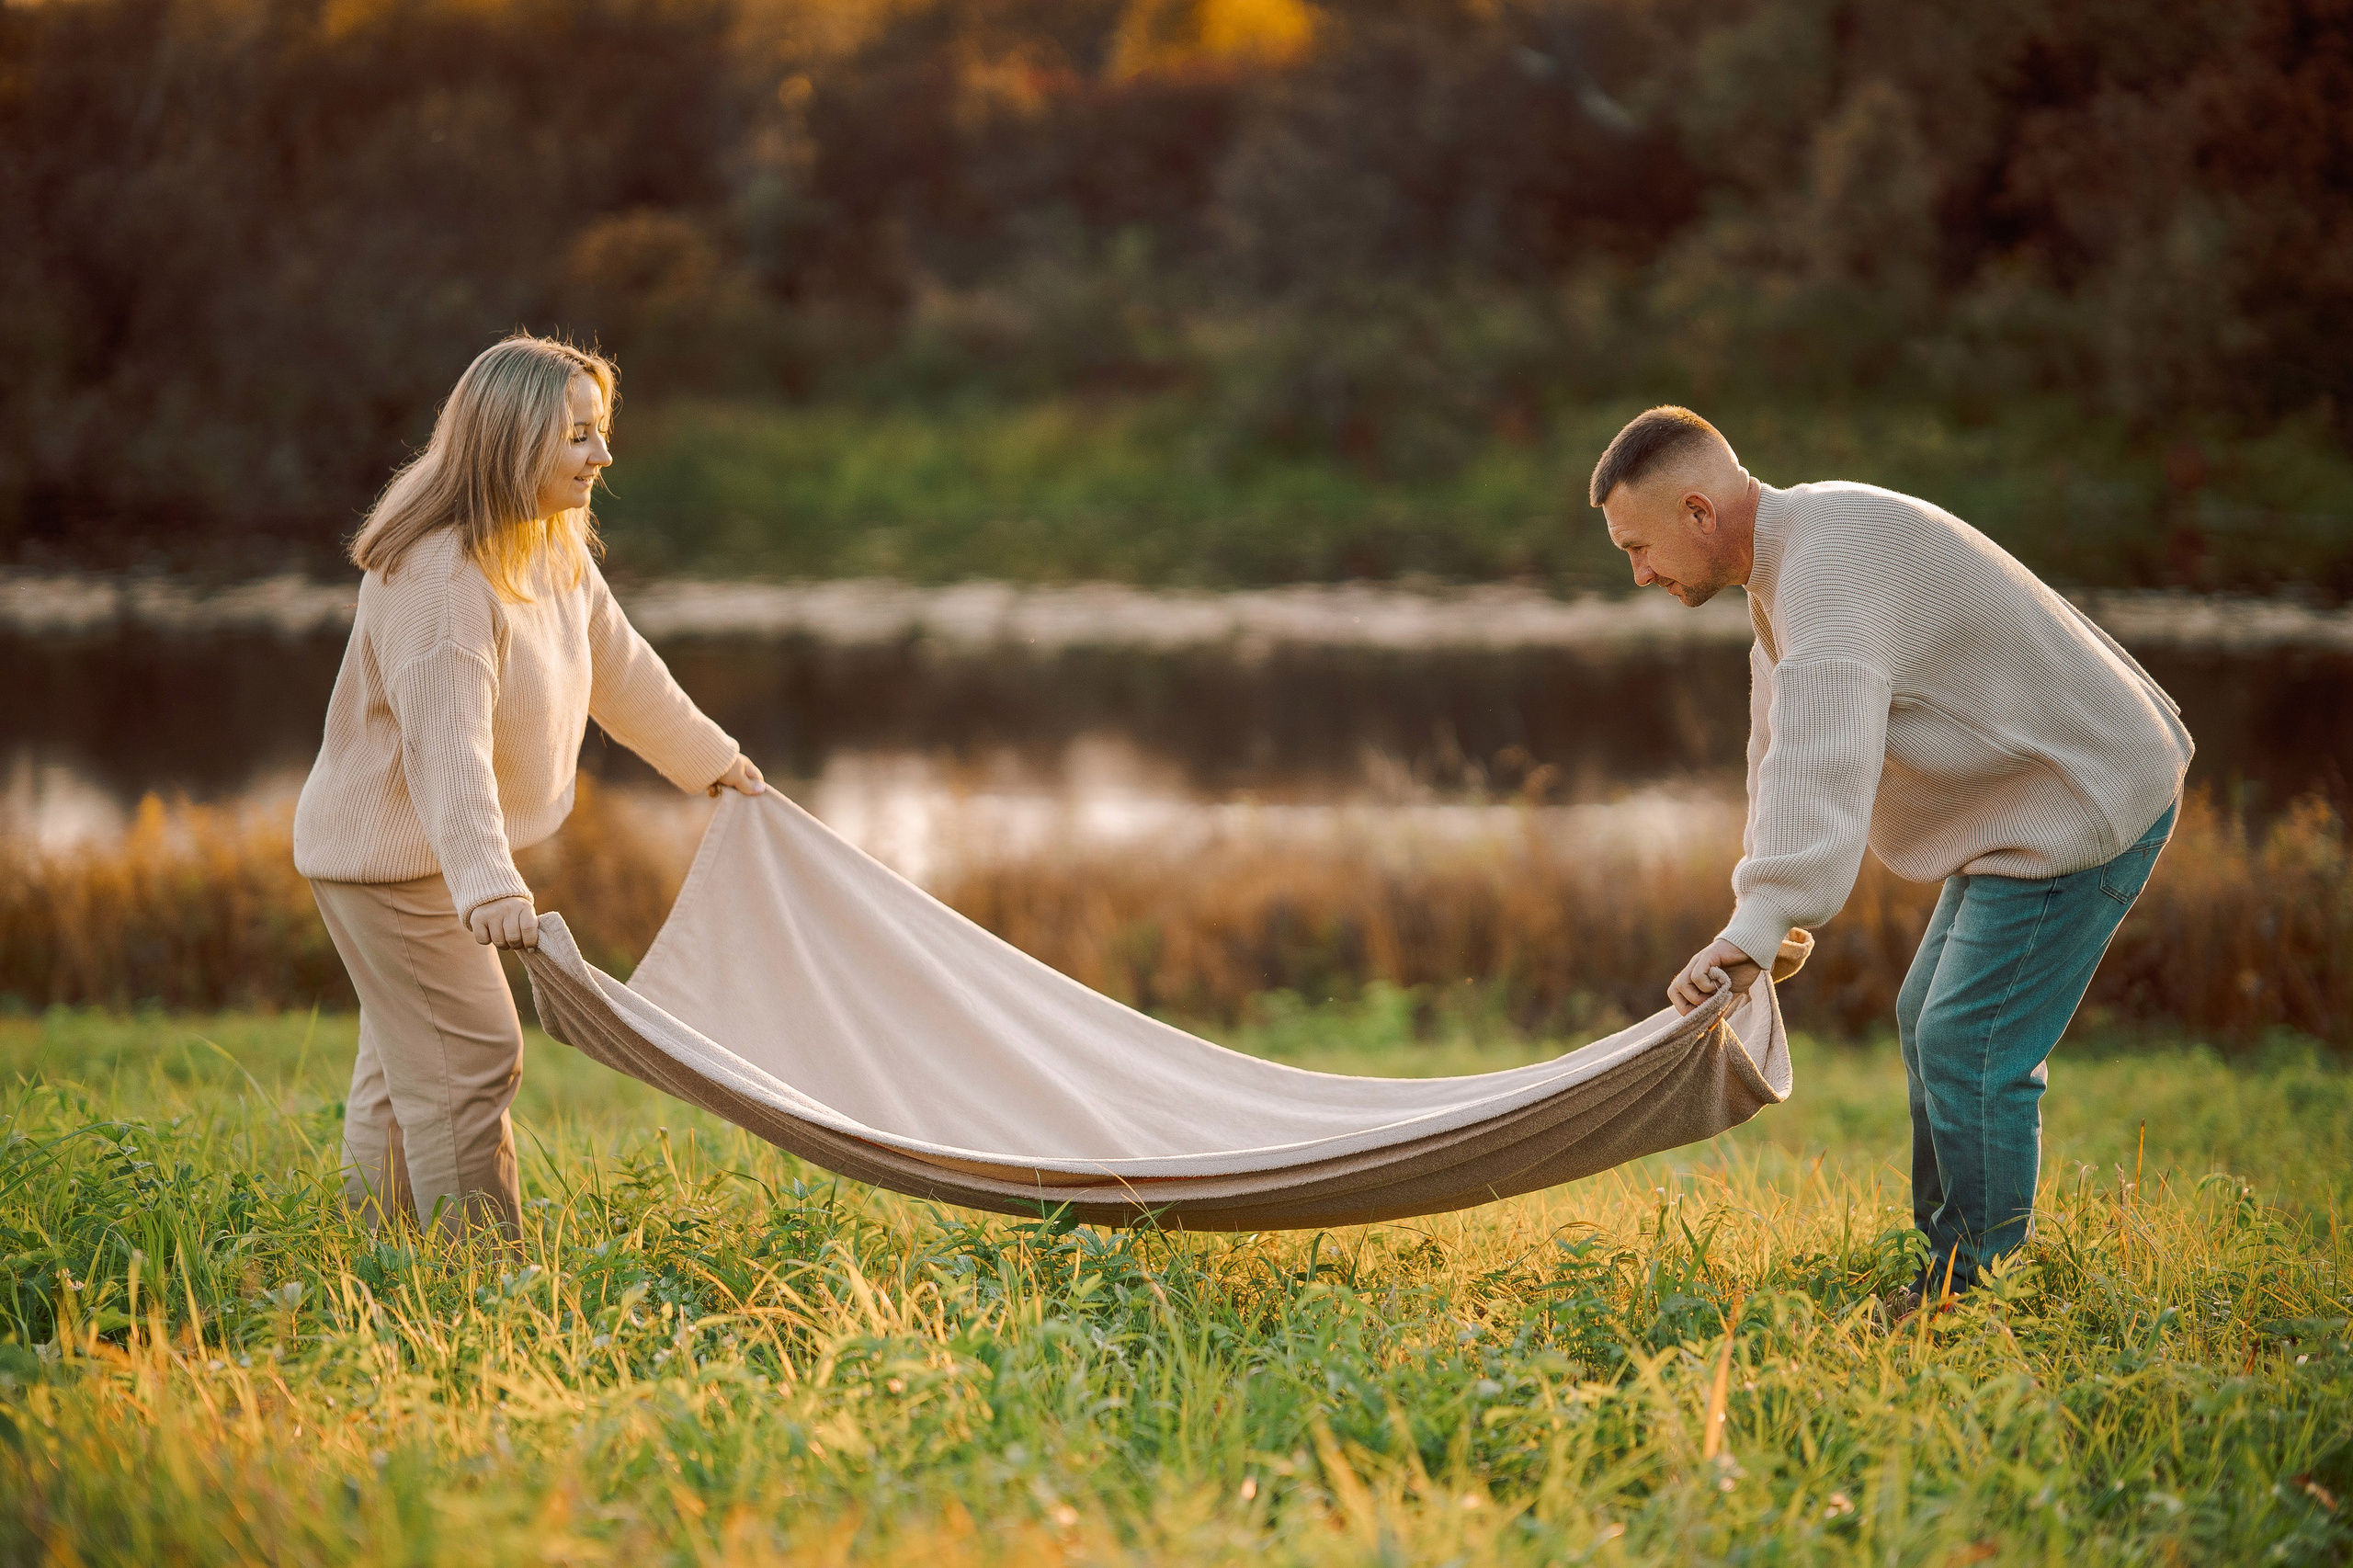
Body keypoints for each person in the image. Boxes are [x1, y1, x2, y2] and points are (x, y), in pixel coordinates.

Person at [1590, 406, 2191, 1304]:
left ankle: (1968, 1292)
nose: (1640, 574)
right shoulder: (1794, 558)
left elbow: (1824, 759)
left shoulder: (1828, 569)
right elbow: (1780, 752)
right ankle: (1942, 1256)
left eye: (1639, 547)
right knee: (1927, 1017)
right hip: (2027, 803)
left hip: (2081, 800)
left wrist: (1762, 920)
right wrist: (1762, 923)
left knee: (1967, 1042)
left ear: (1698, 512)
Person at [293, 333, 767, 1239]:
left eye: (600, 430)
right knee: (472, 1056)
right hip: (394, 865)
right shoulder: (443, 577)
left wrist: (709, 758)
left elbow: (619, 665)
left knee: (407, 1068)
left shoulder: (545, 544)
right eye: (578, 436)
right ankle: (477, 1272)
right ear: (513, 443)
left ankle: (373, 1251)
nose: (603, 454)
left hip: (428, 855)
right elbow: (448, 750)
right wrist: (488, 883)